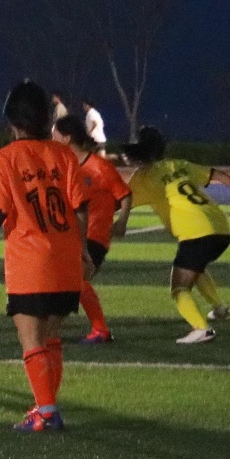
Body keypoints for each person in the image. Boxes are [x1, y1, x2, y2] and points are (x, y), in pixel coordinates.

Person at [0, 81, 92, 433]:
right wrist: (83, 251)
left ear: (12, 121)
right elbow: (81, 208)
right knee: (50, 338)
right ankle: (45, 405)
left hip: (30, 262)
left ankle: (47, 413)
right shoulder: (64, 155)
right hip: (66, 259)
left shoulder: (4, 158)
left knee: (31, 340)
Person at [118, 125, 230, 344]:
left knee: (179, 288)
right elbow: (217, 174)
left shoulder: (142, 178)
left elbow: (117, 202)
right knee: (196, 267)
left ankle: (201, 329)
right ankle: (220, 307)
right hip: (221, 228)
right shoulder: (176, 164)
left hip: (196, 233)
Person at [52, 114, 132, 344]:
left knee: (75, 280)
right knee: (66, 283)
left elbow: (125, 195)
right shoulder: (65, 167)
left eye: (54, 134)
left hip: (95, 236)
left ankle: (100, 329)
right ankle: (51, 330)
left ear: (66, 138)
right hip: (73, 235)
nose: (51, 138)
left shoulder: (99, 166)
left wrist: (121, 222)